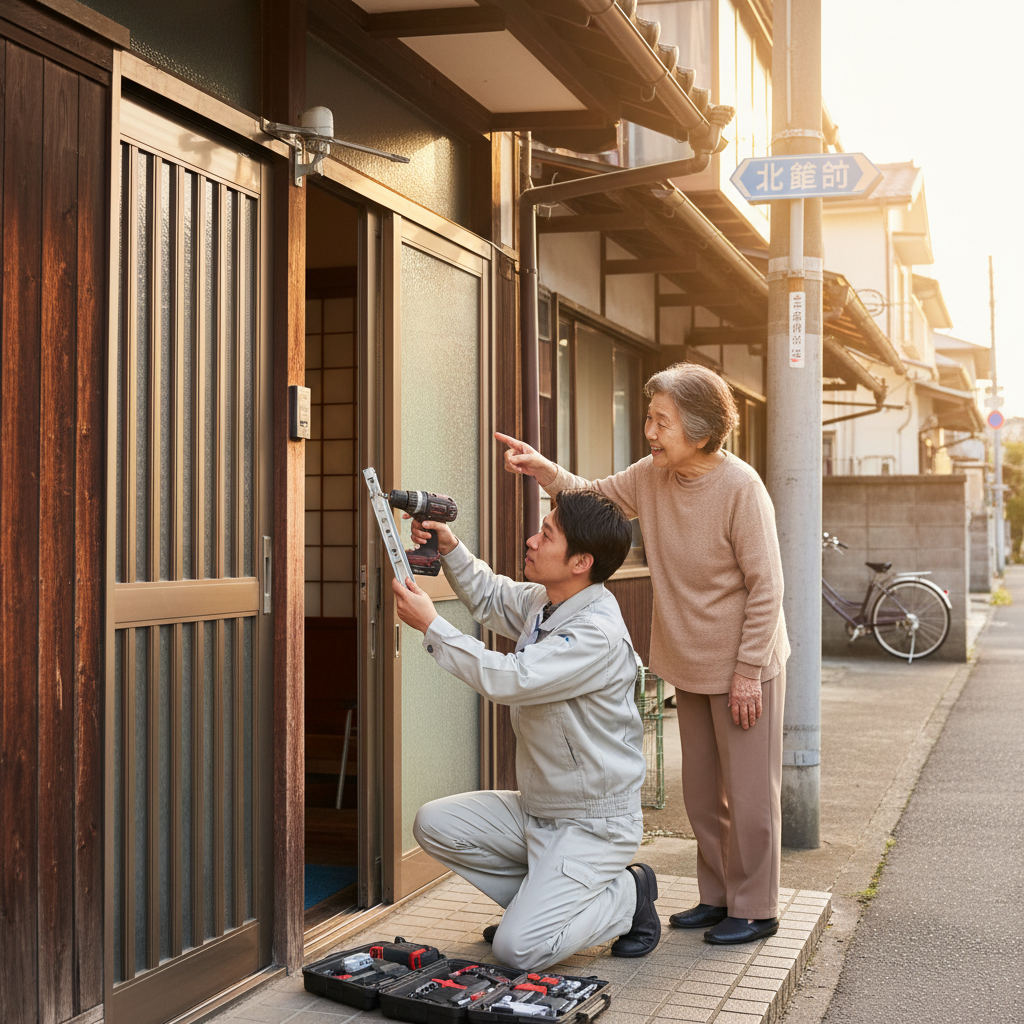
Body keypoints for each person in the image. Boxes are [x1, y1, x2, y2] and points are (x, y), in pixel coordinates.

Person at [497, 362, 790, 945]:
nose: (650, 433)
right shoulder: (654, 475)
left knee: (751, 795)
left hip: (742, 666)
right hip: (688, 658)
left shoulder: (740, 488)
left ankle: (755, 907)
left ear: (701, 431)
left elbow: (768, 586)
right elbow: (594, 498)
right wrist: (543, 469)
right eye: (650, 419)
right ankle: (717, 897)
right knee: (703, 794)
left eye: (662, 422)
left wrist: (749, 672)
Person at [390, 488, 660, 971]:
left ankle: (627, 895)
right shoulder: (549, 601)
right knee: (434, 823)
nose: (532, 541)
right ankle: (536, 912)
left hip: (591, 825)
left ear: (581, 562)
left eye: (547, 535)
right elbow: (492, 596)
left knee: (518, 950)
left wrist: (432, 627)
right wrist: (450, 547)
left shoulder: (595, 633)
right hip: (539, 810)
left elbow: (511, 678)